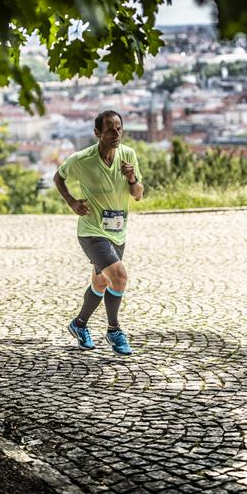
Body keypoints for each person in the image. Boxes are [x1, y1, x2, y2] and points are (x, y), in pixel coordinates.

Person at [53, 110, 144, 356]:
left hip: (118, 231)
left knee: (102, 282)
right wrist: (72, 202)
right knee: (120, 277)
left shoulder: (128, 155)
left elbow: (138, 194)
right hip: (91, 231)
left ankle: (79, 324)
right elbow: (58, 178)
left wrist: (132, 178)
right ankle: (114, 330)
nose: (116, 134)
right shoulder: (82, 159)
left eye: (119, 129)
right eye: (110, 130)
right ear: (97, 133)